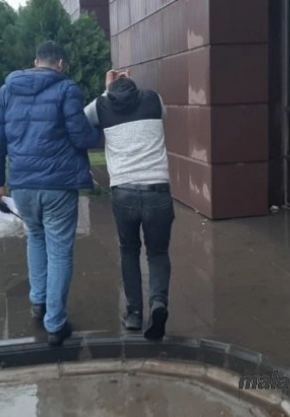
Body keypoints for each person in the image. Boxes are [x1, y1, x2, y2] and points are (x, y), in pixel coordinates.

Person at [0, 41, 99, 346]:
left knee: (35, 238)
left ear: (36, 62)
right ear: (61, 64)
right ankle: (55, 324)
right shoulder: (66, 89)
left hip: (22, 185)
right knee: (59, 251)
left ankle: (39, 303)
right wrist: (99, 131)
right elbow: (81, 137)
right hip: (59, 186)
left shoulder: (7, 90)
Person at [84, 70, 174, 340]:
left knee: (129, 251)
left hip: (123, 193)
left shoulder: (100, 105)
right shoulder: (154, 99)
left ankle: (134, 313)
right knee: (157, 253)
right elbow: (164, 116)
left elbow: (83, 119)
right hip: (158, 191)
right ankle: (158, 302)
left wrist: (106, 89)